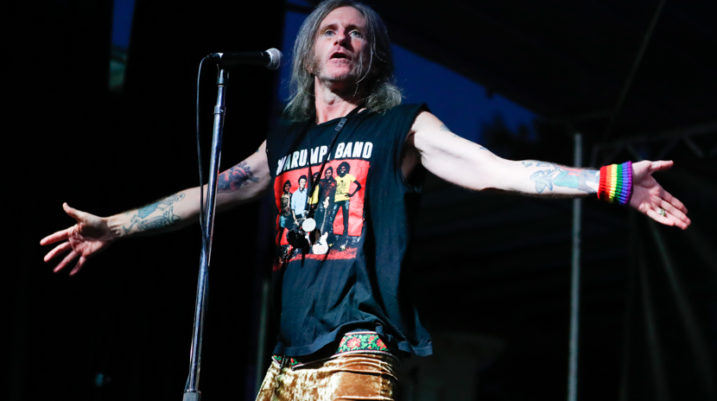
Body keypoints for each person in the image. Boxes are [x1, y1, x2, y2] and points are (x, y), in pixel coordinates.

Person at [40, 0, 691, 399]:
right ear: (309, 54)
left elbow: (492, 169)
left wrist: (608, 180)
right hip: (285, 360)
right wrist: (115, 227)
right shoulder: (284, 140)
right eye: (330, 30)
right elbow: (210, 194)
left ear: (372, 57)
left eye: (356, 33)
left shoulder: (401, 126)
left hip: (357, 349)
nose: (343, 38)